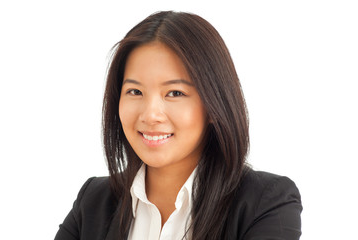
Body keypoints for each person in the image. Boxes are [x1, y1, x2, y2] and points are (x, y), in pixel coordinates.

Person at [54, 11, 302, 240]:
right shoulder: (93, 201)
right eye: (135, 91)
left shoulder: (266, 203)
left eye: (174, 93)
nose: (150, 115)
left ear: (214, 104)